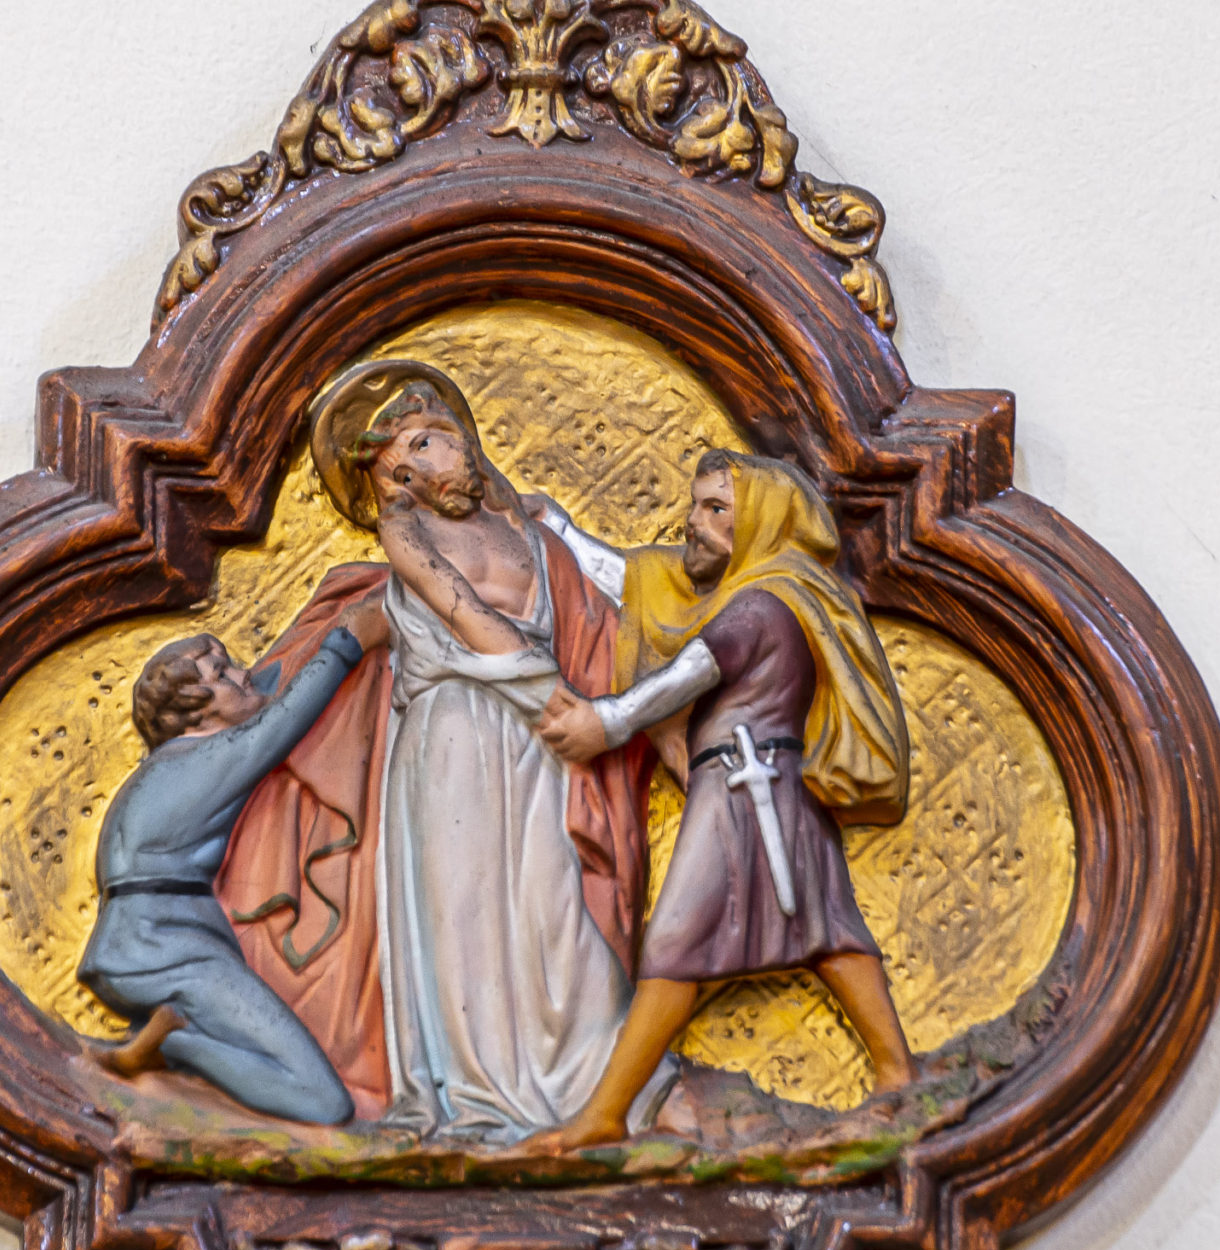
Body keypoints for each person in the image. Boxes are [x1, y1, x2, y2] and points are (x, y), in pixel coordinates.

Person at [246, 358, 650, 1137]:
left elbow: (607, 610)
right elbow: (461, 609)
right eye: (403, 463)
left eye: (433, 440)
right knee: (463, 910)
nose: (426, 465)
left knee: (553, 900)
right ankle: (474, 1098)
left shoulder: (527, 528)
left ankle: (593, 1080)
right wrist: (549, 690)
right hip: (457, 731)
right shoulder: (407, 532)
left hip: (539, 739)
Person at [522, 451, 916, 1150]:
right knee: (825, 927)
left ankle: (604, 1114)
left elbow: (688, 672)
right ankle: (895, 1073)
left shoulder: (759, 604)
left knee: (680, 942)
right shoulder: (755, 595)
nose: (692, 522)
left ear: (759, 523)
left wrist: (605, 721)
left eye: (716, 510)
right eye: (694, 504)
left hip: (745, 790)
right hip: (761, 788)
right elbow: (638, 584)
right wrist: (560, 530)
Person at [76, 597, 389, 1125]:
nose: (244, 675)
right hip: (166, 952)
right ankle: (171, 1044)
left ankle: (165, 1038)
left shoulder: (164, 770)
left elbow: (270, 683)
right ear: (196, 707)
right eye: (222, 674)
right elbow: (278, 724)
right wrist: (345, 643)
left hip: (131, 949)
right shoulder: (206, 760)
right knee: (323, 1102)